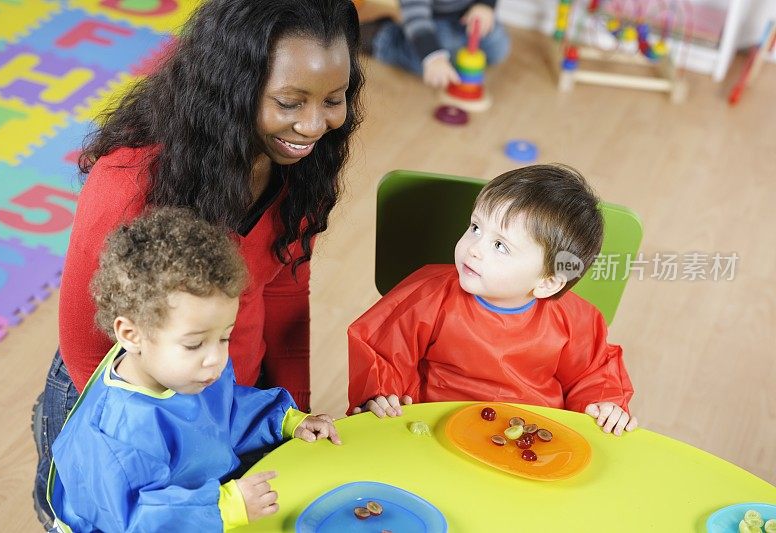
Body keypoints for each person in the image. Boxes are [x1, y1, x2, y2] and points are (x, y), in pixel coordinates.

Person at [33, 0, 364, 527]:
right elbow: (88, 343)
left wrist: (287, 417)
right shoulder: (129, 182)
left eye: (334, 99)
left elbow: (284, 294)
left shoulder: (302, 165)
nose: (314, 125)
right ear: (232, 86)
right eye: (289, 101)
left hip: (220, 403)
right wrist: (182, 433)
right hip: (131, 406)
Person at [47, 207, 342, 531]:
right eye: (194, 344)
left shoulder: (191, 370)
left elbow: (227, 412)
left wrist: (285, 420)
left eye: (224, 337)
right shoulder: (119, 433)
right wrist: (225, 505)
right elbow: (140, 520)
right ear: (132, 335)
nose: (215, 357)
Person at [347, 164, 638, 436]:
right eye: (475, 228)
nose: (473, 249)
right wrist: (383, 396)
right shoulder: (428, 295)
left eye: (500, 246)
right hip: (436, 426)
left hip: (529, 434)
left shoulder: (575, 320)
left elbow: (595, 373)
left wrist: (604, 405)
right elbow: (382, 351)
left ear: (547, 282)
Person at [365, 0, 510, 88]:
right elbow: (416, 17)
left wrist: (485, 5)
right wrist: (433, 57)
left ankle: (450, 58)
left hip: (469, 18)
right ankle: (383, 37)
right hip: (429, 24)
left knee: (498, 48)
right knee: (426, 65)